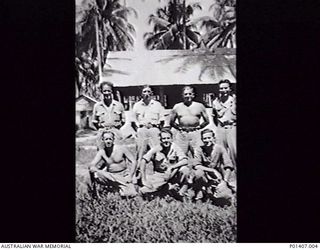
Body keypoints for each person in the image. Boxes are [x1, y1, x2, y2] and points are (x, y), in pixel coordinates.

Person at [139, 129, 189, 195]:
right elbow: (143, 160)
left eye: (168, 138)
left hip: (173, 173)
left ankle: (181, 192)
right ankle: (168, 188)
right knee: (144, 191)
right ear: (161, 140)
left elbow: (185, 160)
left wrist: (171, 167)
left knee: (185, 170)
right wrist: (143, 179)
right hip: (160, 175)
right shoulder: (156, 149)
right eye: (164, 138)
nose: (166, 140)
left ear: (171, 139)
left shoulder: (175, 147)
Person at [88, 130, 138, 197]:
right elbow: (92, 164)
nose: (108, 141)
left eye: (110, 139)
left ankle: (120, 187)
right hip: (110, 176)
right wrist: (94, 168)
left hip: (123, 175)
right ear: (103, 140)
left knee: (131, 194)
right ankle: (96, 193)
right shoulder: (102, 152)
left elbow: (134, 161)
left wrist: (131, 176)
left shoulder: (121, 149)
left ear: (113, 140)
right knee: (98, 173)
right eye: (106, 139)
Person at [191, 129, 235, 201]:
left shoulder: (220, 148)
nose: (207, 140)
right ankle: (200, 192)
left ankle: (215, 190)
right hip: (205, 175)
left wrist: (225, 181)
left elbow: (228, 166)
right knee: (198, 173)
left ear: (213, 138)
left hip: (217, 177)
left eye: (209, 138)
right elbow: (196, 165)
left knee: (225, 197)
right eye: (205, 138)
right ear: (202, 140)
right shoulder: (199, 149)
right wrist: (213, 170)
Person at [170, 85, 210, 156]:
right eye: (185, 94)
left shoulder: (200, 106)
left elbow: (207, 121)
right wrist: (179, 128)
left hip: (195, 133)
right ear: (182, 95)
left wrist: (199, 127)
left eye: (190, 94)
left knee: (198, 154)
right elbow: (172, 122)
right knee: (180, 155)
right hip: (182, 134)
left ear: (193, 95)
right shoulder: (177, 107)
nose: (188, 96)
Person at [131, 85, 165, 163]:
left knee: (156, 149)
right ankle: (139, 167)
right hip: (142, 129)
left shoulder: (157, 105)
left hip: (154, 129)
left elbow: (162, 119)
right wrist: (138, 129)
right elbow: (133, 120)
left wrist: (157, 129)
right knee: (141, 149)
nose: (147, 93)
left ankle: (158, 166)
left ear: (152, 93)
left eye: (148, 91)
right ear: (141, 94)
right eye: (144, 91)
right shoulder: (137, 105)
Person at [92, 81, 125, 146]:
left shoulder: (119, 105)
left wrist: (115, 127)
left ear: (111, 91)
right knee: (102, 153)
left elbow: (123, 120)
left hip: (116, 132)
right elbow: (94, 121)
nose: (106, 93)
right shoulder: (97, 106)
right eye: (104, 91)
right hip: (102, 132)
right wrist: (102, 128)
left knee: (118, 153)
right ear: (101, 91)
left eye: (108, 91)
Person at [212, 79, 236, 167]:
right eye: (221, 88)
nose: (223, 90)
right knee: (221, 152)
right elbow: (214, 117)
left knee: (235, 153)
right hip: (221, 129)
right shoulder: (216, 102)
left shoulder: (234, 100)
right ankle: (225, 176)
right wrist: (219, 127)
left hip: (232, 128)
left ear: (230, 89)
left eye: (226, 88)